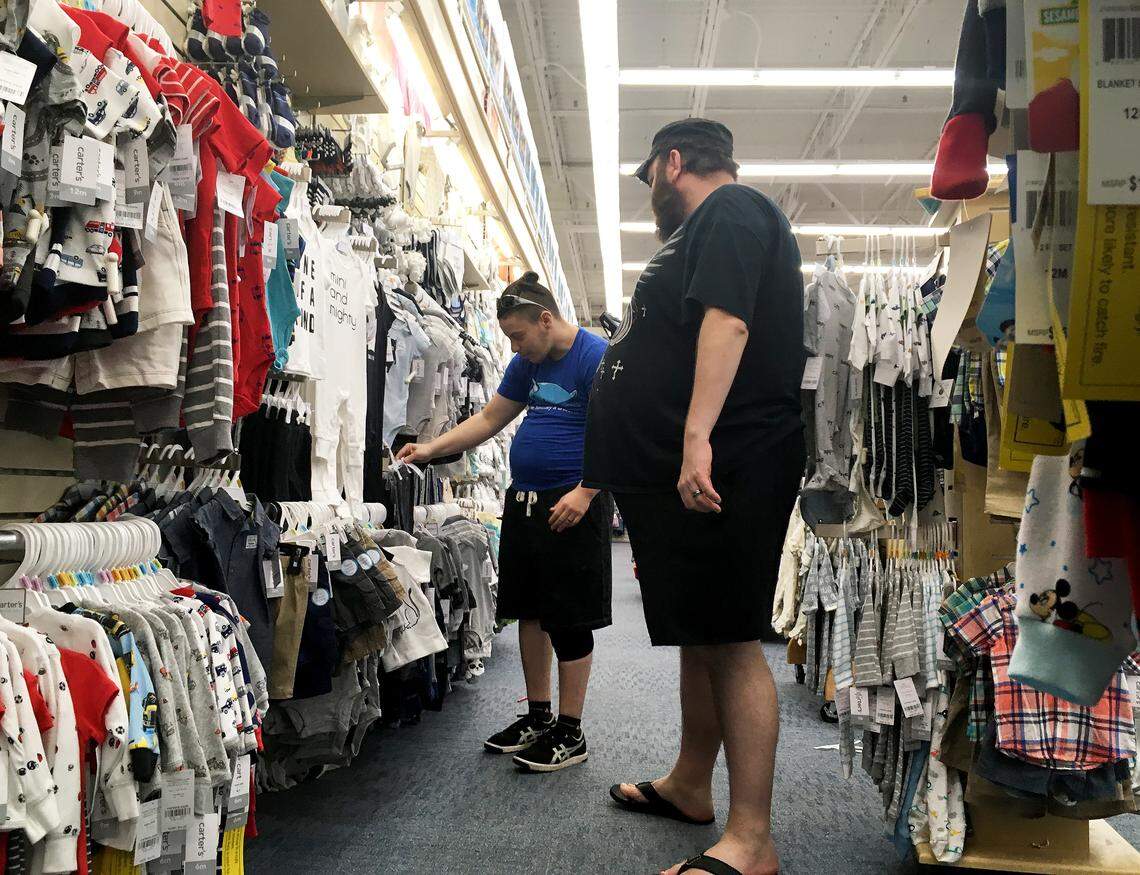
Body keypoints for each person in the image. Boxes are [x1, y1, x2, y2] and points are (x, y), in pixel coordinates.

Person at [582, 119, 805, 875]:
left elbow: (729, 320)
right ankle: (688, 783)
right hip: (702, 466)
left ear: (671, 163)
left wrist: (696, 437)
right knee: (702, 633)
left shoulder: (733, 211)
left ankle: (752, 839)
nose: (650, 194)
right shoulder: (714, 225)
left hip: (733, 458)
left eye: (649, 177)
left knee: (732, 640)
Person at [397, 272, 612, 773]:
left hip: (573, 503)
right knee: (530, 612)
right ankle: (538, 716)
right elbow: (490, 419)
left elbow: (619, 434)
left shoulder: (594, 357)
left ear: (545, 319)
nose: (515, 347)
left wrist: (587, 491)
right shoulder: (526, 363)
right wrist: (430, 449)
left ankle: (570, 730)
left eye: (518, 336)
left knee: (569, 618)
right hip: (526, 502)